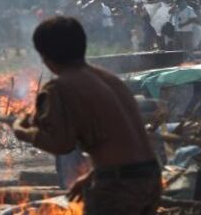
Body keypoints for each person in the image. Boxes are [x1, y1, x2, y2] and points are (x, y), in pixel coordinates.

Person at [12, 17, 160, 215]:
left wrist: (22, 131)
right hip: (149, 176)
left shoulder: (61, 87)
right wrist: (93, 175)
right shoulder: (110, 80)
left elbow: (61, 144)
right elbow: (121, 141)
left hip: (119, 185)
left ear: (46, 58)